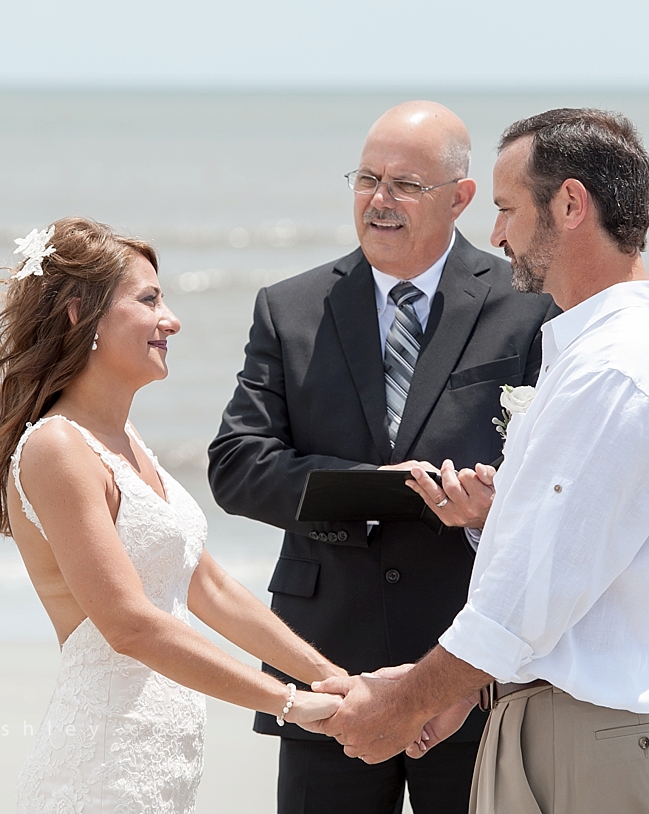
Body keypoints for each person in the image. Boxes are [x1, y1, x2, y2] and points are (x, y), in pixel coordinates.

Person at [311, 108, 649, 814]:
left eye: (507, 208)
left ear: (571, 204)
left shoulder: (614, 370)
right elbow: (589, 574)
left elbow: (532, 595)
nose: (496, 232)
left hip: (580, 744)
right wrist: (475, 690)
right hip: (607, 735)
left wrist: (405, 705)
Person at [207, 101, 557, 813]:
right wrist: (370, 488)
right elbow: (237, 465)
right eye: (367, 179)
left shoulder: (528, 307)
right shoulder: (291, 307)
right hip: (324, 660)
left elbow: (555, 474)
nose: (379, 199)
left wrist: (496, 506)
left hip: (466, 664)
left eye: (405, 184)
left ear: (460, 198)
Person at [0, 217, 346, 814]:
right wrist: (288, 704)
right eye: (149, 299)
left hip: (159, 771)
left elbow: (211, 589)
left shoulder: (126, 440)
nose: (172, 320)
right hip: (100, 772)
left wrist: (329, 678)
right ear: (78, 314)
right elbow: (130, 626)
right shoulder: (58, 447)